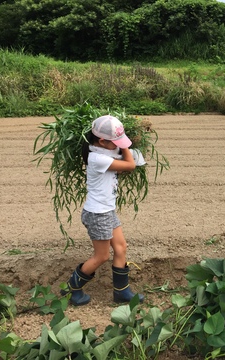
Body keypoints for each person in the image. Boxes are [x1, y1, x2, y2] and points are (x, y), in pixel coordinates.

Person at [62, 115, 144, 306]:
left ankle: (122, 293)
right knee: (102, 256)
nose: (118, 146)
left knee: (121, 247)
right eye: (115, 142)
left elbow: (122, 162)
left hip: (107, 211)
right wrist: (125, 147)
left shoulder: (104, 152)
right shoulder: (97, 158)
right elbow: (130, 165)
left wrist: (122, 144)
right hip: (98, 214)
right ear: (101, 141)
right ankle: (72, 289)